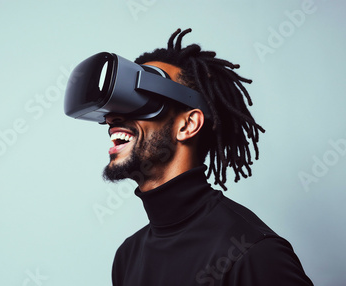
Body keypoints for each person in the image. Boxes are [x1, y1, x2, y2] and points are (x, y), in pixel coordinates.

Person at [98, 28, 313, 285]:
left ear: (188, 125)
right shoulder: (128, 256)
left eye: (142, 100)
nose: (112, 119)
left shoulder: (252, 252)